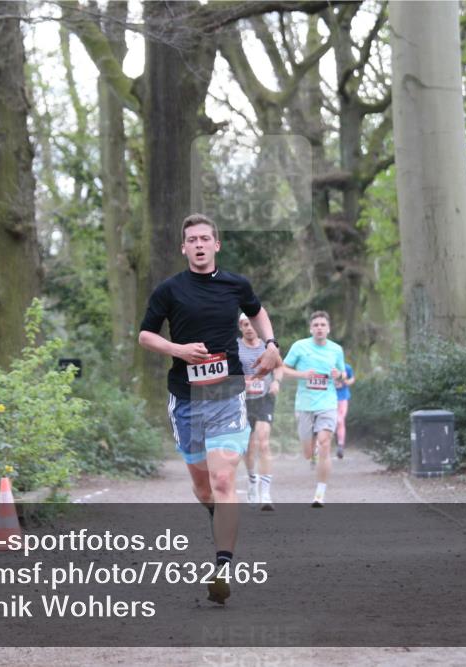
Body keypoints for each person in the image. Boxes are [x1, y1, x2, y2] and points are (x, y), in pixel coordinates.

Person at [138, 213, 281, 604]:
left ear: (216, 245)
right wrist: (179, 349)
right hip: (185, 400)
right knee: (204, 489)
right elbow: (146, 335)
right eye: (192, 240)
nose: (199, 245)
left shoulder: (236, 284)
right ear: (183, 248)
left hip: (227, 395)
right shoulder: (169, 290)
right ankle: (220, 519)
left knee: (222, 480)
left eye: (205, 239)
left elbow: (257, 311)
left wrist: (271, 344)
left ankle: (222, 567)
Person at [281, 311, 346, 507]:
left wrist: (338, 375)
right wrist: (302, 374)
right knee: (308, 453)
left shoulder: (336, 350)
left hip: (327, 404)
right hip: (305, 405)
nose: (319, 328)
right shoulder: (299, 347)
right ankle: (313, 453)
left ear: (328, 329)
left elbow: (343, 374)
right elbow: (283, 369)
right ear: (310, 329)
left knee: (325, 443)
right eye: (316, 325)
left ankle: (320, 493)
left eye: (323, 325)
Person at [238, 313, 283, 511]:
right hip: (243, 402)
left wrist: (276, 381)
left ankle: (265, 493)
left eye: (251, 324)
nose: (249, 328)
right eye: (245, 325)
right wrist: (239, 382)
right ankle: (252, 480)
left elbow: (279, 366)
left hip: (264, 399)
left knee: (263, 442)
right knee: (249, 447)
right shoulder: (234, 347)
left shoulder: (268, 346)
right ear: (240, 327)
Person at [334, 362, 355, 459]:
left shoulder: (346, 367)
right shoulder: (326, 365)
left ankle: (340, 446)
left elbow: (352, 378)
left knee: (340, 421)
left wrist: (347, 382)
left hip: (343, 397)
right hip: (329, 398)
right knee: (331, 422)